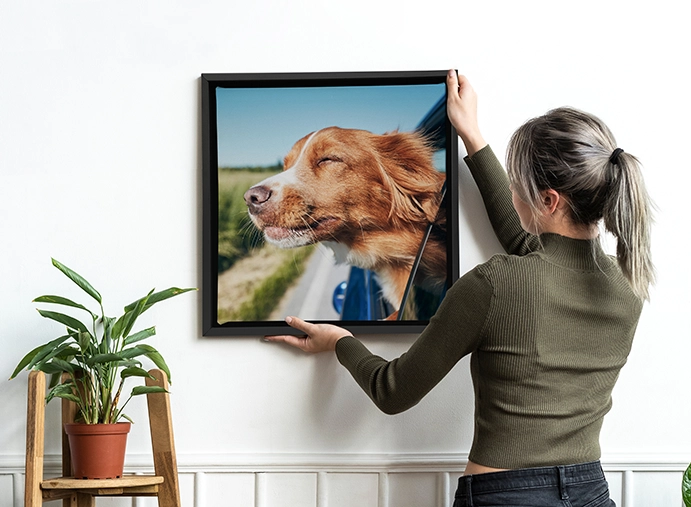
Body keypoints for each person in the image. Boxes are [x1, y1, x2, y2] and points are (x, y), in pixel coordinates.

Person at [265, 69, 654, 506]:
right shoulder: (627, 285)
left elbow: (394, 391)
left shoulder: (497, 282)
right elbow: (536, 245)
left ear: (548, 201)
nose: (512, 191)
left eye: (517, 185)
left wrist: (340, 341)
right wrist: (472, 135)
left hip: (506, 497)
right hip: (590, 491)